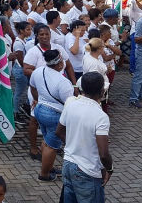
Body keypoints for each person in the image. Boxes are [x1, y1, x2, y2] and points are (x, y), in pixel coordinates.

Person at [56, 72, 113, 203]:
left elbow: (59, 131)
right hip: (87, 171)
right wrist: (109, 169)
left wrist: (74, 145)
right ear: (102, 91)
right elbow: (103, 154)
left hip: (68, 165)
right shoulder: (101, 116)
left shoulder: (70, 104)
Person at [30, 49, 74, 181]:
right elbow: (69, 103)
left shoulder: (38, 71)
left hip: (39, 110)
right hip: (53, 115)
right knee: (52, 146)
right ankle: (44, 174)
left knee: (47, 140)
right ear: (60, 64)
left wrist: (37, 99)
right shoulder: (63, 82)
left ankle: (48, 167)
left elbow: (32, 87)